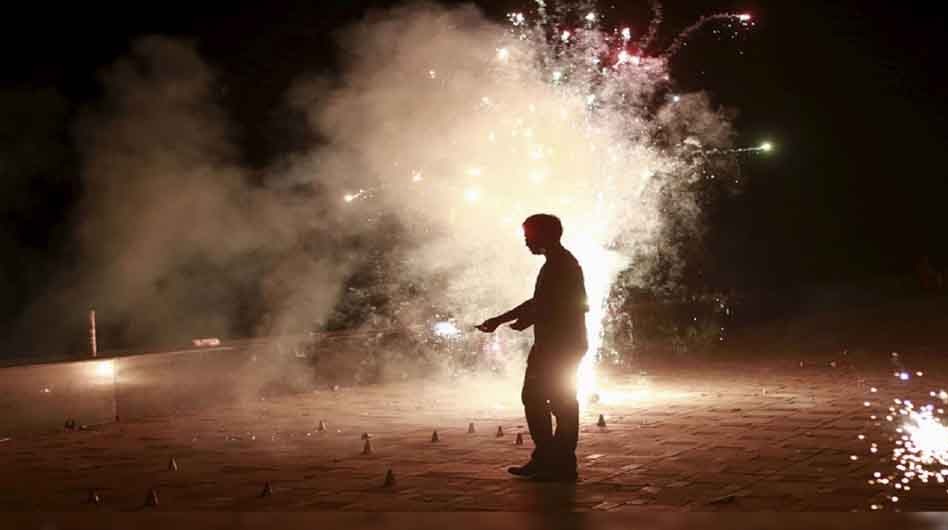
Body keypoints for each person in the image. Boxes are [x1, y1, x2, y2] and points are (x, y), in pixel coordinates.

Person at [477, 214, 588, 482]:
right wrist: (508, 319)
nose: (526, 242)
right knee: (551, 400)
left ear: (546, 236)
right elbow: (543, 302)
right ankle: (552, 460)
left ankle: (556, 462)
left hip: (559, 346)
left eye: (529, 237)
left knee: (552, 400)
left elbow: (555, 305)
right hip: (558, 344)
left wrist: (515, 319)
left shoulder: (560, 265)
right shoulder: (558, 263)